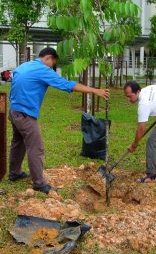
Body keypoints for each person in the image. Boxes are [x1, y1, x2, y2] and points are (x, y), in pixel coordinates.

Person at [8, 47, 109, 194]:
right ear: (48, 58)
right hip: (25, 114)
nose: (52, 68)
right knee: (36, 147)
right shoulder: (43, 70)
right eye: (53, 64)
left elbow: (15, 83)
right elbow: (67, 85)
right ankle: (39, 183)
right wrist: (95, 90)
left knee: (18, 143)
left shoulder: (25, 65)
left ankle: (14, 173)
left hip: (14, 111)